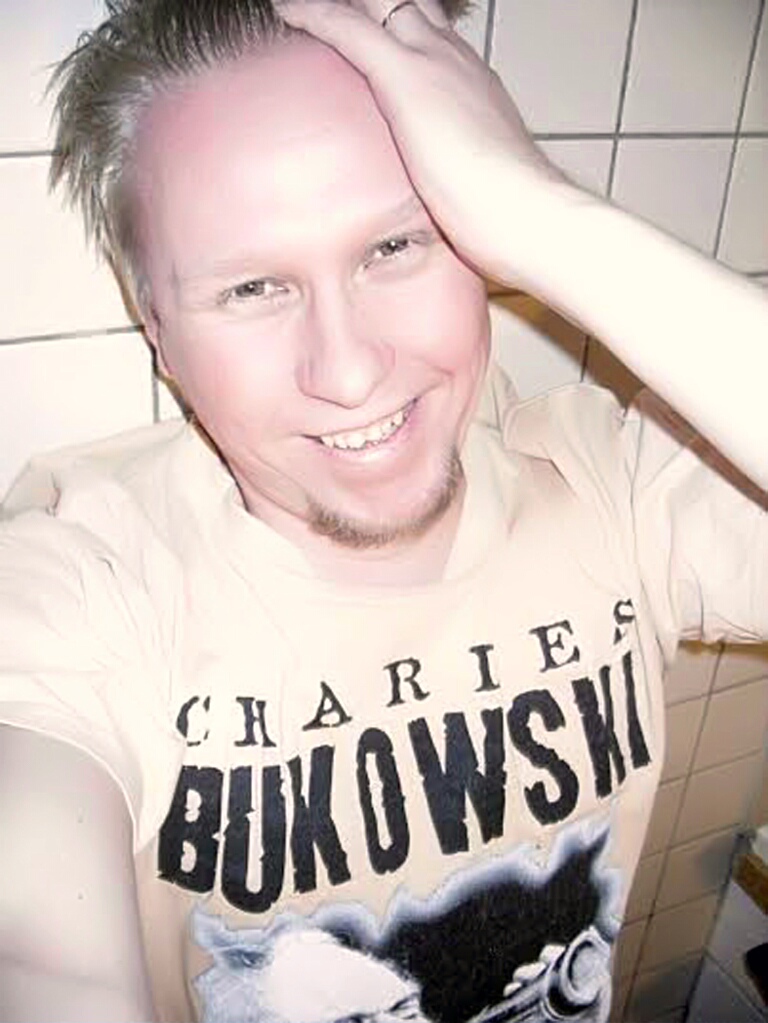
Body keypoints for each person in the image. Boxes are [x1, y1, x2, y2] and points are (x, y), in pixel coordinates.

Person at [0, 0, 765, 1020]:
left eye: (397, 244)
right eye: (252, 289)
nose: (351, 372)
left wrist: (543, 211)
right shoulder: (84, 579)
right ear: (157, 330)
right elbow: (38, 953)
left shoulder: (614, 486)